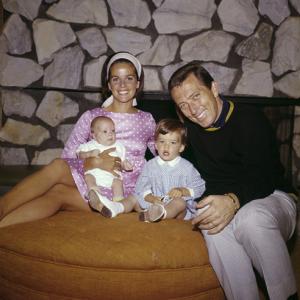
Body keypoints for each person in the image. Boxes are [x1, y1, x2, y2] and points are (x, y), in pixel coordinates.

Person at [168, 61, 298, 300]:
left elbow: (263, 177)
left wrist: (232, 200)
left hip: (272, 198)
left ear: (214, 88)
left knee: (251, 218)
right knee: (211, 223)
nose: (193, 109)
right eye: (183, 105)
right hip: (230, 202)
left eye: (196, 96)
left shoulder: (249, 118)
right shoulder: (193, 131)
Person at [0, 52, 156, 227]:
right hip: (92, 180)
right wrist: (94, 163)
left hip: (122, 189)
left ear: (138, 83)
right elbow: (69, 156)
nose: (122, 84)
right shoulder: (92, 116)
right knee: (58, 165)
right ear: (109, 85)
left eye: (129, 78)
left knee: (58, 193)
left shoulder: (146, 120)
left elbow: (163, 155)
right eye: (115, 79)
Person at [135, 118, 205, 222]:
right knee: (134, 199)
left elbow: (200, 187)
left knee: (180, 203)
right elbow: (141, 187)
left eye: (172, 142)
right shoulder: (150, 165)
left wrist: (182, 191)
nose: (166, 146)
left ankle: (161, 214)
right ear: (156, 145)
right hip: (156, 202)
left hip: (178, 211)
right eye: (162, 141)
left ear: (181, 147)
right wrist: (152, 198)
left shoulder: (187, 167)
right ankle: (118, 206)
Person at [77, 116, 133, 204]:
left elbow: (121, 162)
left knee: (118, 182)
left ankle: (119, 201)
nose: (110, 134)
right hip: (94, 174)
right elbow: (79, 155)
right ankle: (94, 192)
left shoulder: (119, 146)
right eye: (105, 131)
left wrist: (125, 165)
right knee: (88, 177)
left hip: (112, 176)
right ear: (94, 135)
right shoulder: (90, 145)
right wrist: (89, 154)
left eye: (113, 131)